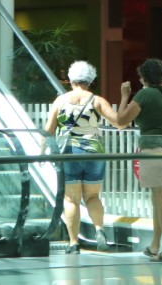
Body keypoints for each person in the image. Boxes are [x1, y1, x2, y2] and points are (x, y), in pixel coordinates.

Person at [114, 58, 162, 264]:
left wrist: (124, 97)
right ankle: (155, 246)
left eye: (141, 78)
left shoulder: (144, 94)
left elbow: (121, 122)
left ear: (146, 77)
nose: (140, 81)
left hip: (154, 151)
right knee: (160, 199)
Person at [43, 61, 120, 254]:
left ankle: (73, 242)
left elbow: (49, 130)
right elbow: (119, 122)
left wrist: (41, 150)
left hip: (69, 152)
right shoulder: (97, 100)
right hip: (94, 151)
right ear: (91, 80)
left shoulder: (60, 101)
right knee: (92, 196)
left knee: (71, 200)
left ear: (70, 79)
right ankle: (99, 230)